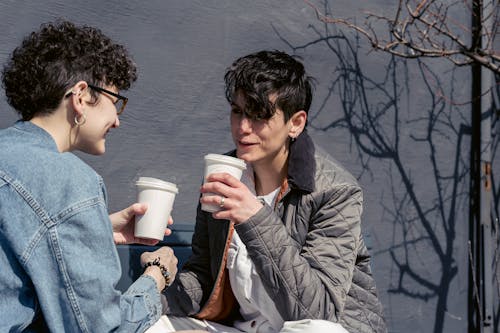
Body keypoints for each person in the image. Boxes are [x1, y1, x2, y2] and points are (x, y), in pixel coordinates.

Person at [148, 50, 387, 333]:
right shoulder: (224, 175)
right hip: (243, 327)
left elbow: (316, 312)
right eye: (237, 111)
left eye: (259, 115)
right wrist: (155, 284)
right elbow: (204, 277)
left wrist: (254, 218)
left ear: (295, 123)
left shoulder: (336, 192)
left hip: (313, 328)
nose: (242, 127)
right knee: (151, 324)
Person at [0, 20, 179, 332]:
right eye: (116, 102)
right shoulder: (67, 180)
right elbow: (99, 327)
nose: (117, 121)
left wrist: (98, 227)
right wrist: (156, 277)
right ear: (81, 97)